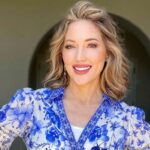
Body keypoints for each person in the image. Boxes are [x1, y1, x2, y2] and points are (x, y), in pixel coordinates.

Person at [0, 0, 150, 149]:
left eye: (91, 45)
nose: (79, 57)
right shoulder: (31, 105)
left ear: (107, 54)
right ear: (61, 54)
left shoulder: (127, 120)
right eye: (70, 46)